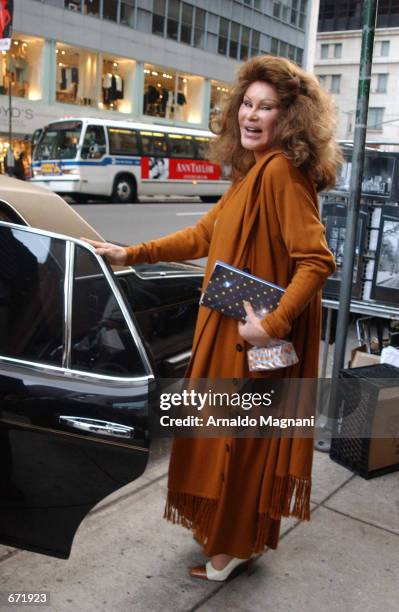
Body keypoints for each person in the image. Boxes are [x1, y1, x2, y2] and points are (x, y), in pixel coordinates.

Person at [83, 55, 341, 581]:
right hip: (232, 337)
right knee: (227, 440)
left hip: (250, 341)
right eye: (247, 103)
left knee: (237, 447)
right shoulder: (254, 173)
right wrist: (130, 253)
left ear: (288, 119)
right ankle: (230, 537)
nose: (251, 115)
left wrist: (267, 326)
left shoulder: (282, 174)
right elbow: (201, 237)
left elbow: (317, 261)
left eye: (266, 107)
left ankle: (228, 550)